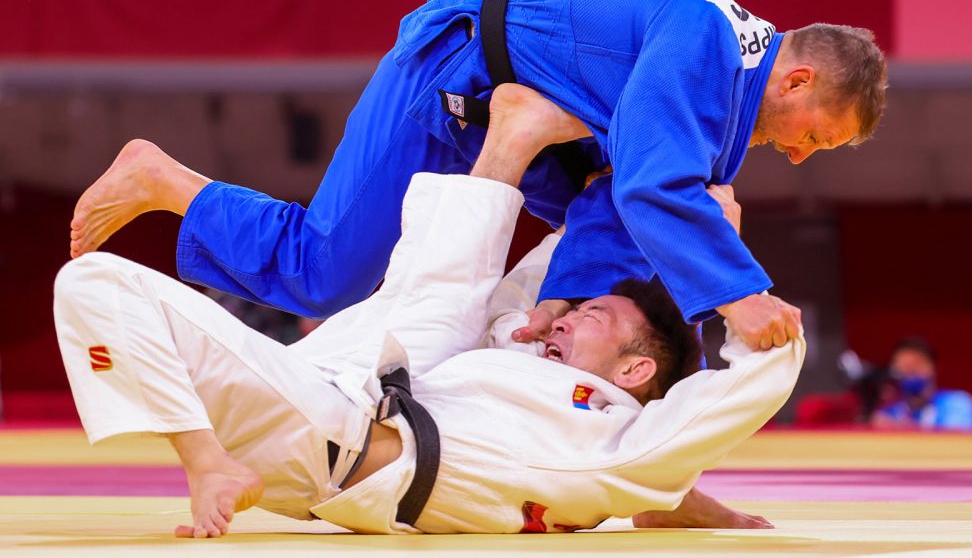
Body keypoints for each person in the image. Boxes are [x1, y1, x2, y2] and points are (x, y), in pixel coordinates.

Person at [68, 0, 887, 353]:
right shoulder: (707, 40)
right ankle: (166, 179)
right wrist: (741, 293)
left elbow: (631, 195)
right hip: (454, 71)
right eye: (819, 132)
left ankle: (564, 323)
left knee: (669, 210)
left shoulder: (727, 76)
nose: (806, 156)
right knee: (326, 273)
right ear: (801, 77)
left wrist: (564, 305)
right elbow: (647, 186)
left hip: (538, 106)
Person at [54, 106, 804, 538]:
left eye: (591, 316)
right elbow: (542, 275)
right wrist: (698, 229)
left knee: (94, 280)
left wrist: (734, 283)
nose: (568, 317)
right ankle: (511, 140)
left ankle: (208, 456)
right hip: (351, 380)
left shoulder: (624, 440)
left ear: (635, 371)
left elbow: (741, 389)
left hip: (329, 438)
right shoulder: (529, 351)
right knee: (463, 295)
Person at [871, 337, 972, 432]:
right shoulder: (889, 412)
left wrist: (896, 428)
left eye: (916, 364)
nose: (910, 371)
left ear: (934, 368)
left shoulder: (957, 403)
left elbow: (955, 442)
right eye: (903, 366)